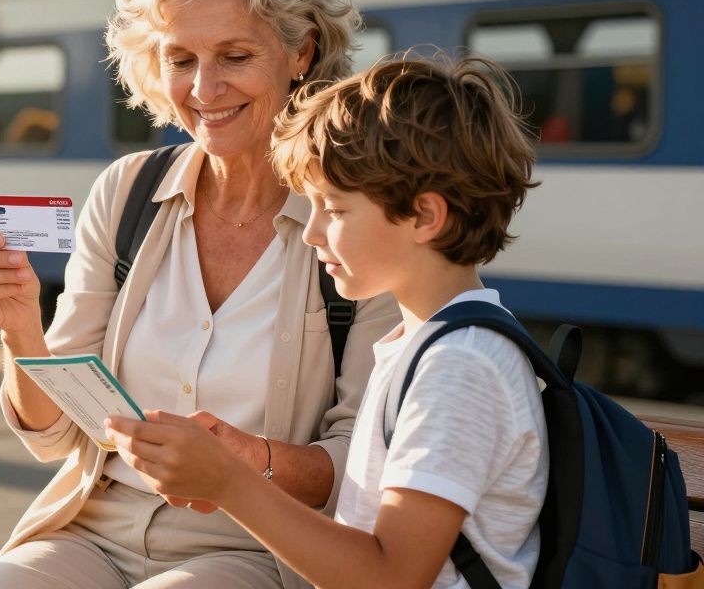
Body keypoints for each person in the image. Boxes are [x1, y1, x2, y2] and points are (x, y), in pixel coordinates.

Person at [0, 0, 400, 588]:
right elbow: (58, 435)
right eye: (180, 59)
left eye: (236, 56)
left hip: (257, 548)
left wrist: (242, 461)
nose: (203, 89)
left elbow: (360, 463)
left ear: (301, 52)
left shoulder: (354, 217)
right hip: (93, 531)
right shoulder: (127, 192)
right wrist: (21, 330)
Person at [105, 54, 548, 589]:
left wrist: (229, 482)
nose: (310, 232)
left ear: (426, 216)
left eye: (334, 211)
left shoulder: (461, 367)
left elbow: (392, 577)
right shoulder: (419, 343)